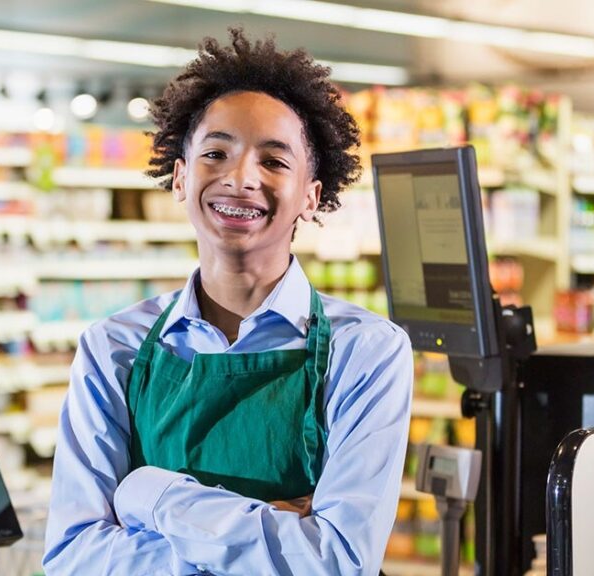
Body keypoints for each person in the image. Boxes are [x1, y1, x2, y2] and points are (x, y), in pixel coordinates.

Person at [42, 28, 413, 575]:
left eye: (275, 162)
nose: (240, 179)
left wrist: (151, 495)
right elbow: (73, 555)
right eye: (216, 153)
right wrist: (270, 530)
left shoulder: (367, 352)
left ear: (311, 196)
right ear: (180, 176)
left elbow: (335, 562)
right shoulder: (111, 349)